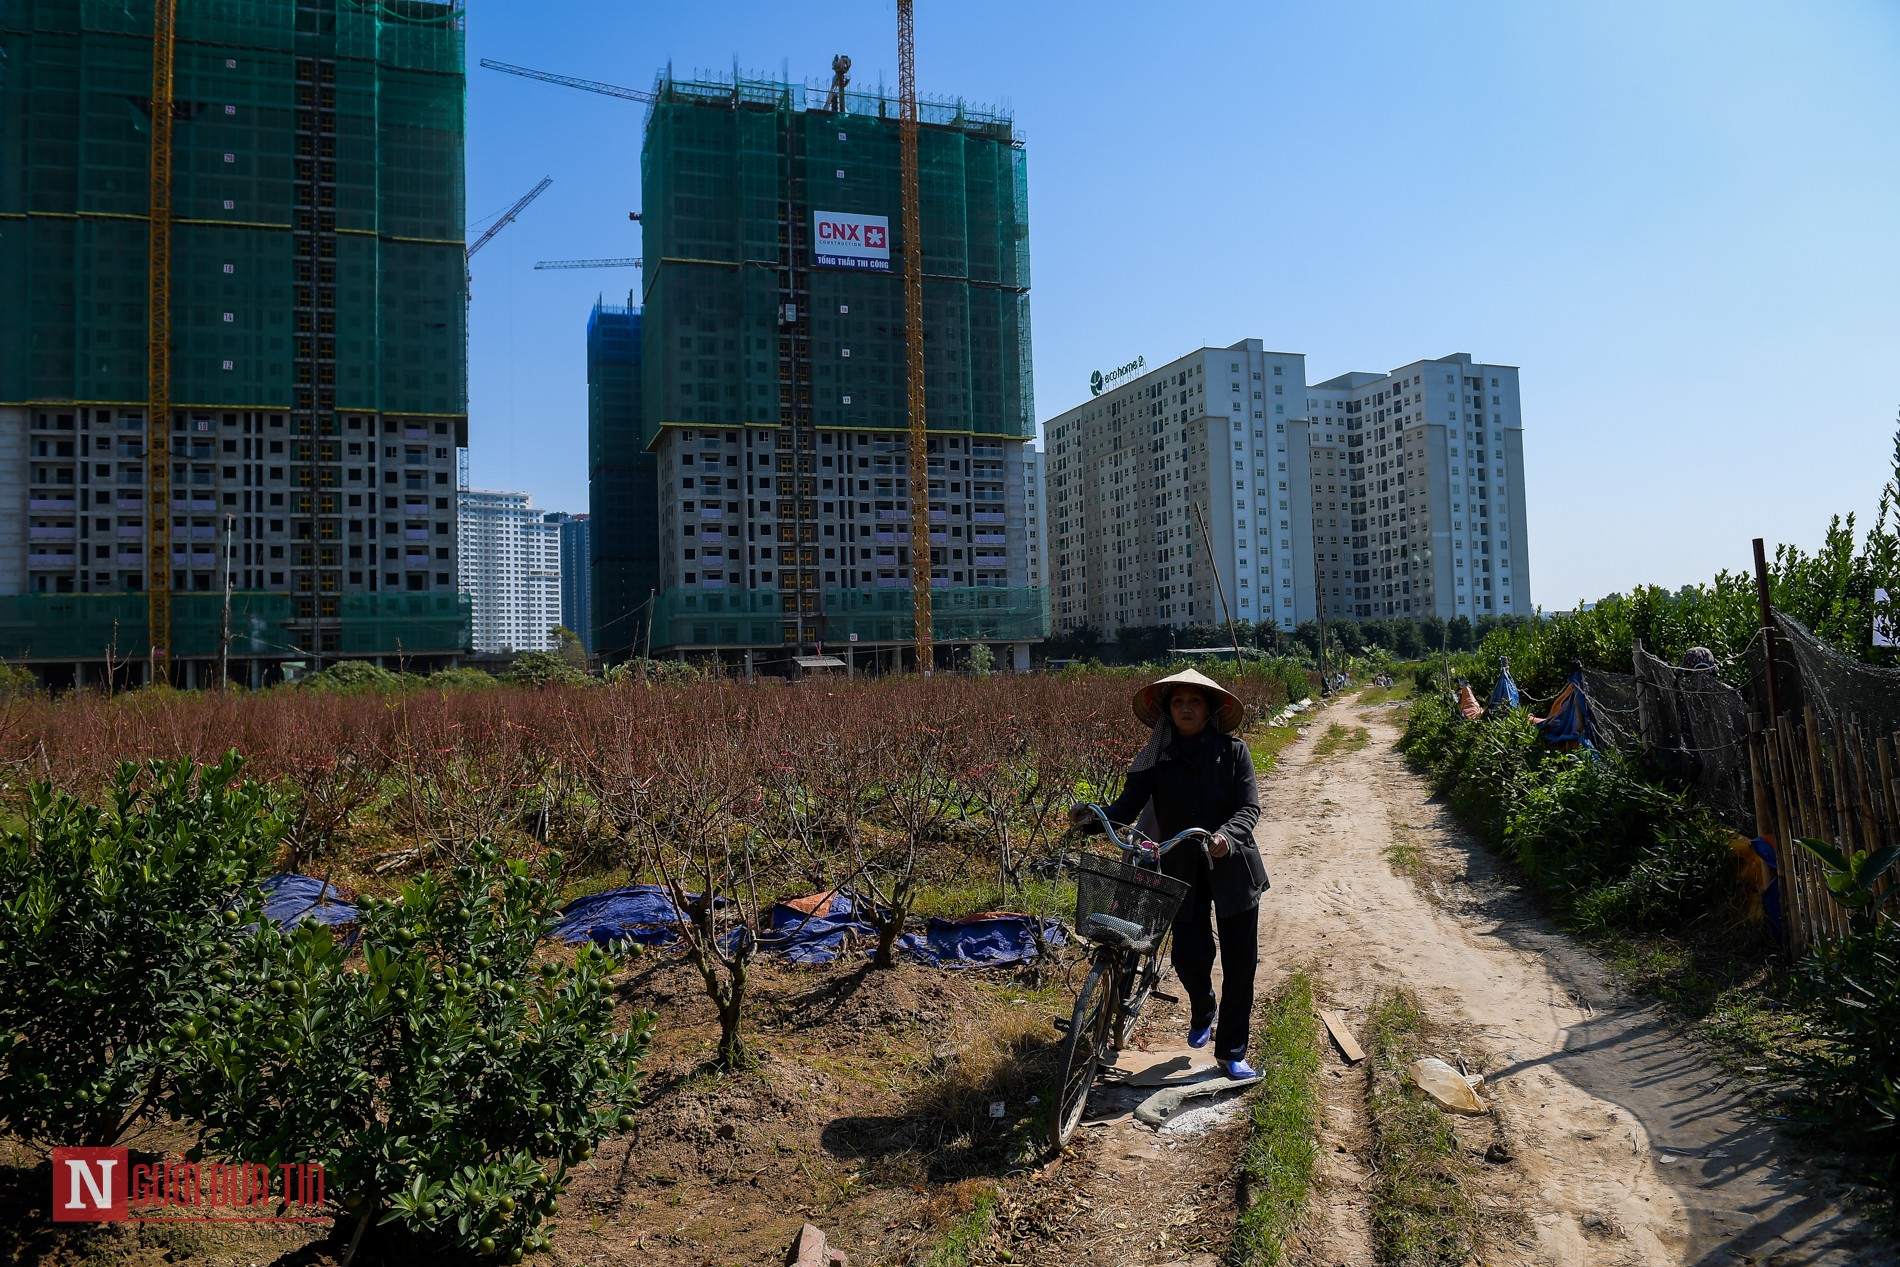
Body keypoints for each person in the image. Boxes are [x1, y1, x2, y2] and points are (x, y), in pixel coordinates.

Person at [1070, 668, 1268, 1078]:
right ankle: (1203, 1005)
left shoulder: (1233, 752)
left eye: (1194, 701)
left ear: (1210, 708)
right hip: (1180, 869)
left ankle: (1231, 1050)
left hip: (1233, 868)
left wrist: (1226, 837)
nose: (1186, 708)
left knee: (1240, 962)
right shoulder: (1157, 759)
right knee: (1187, 957)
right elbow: (1125, 808)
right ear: (1169, 712)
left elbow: (1249, 808)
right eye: (1178, 702)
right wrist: (1092, 817)